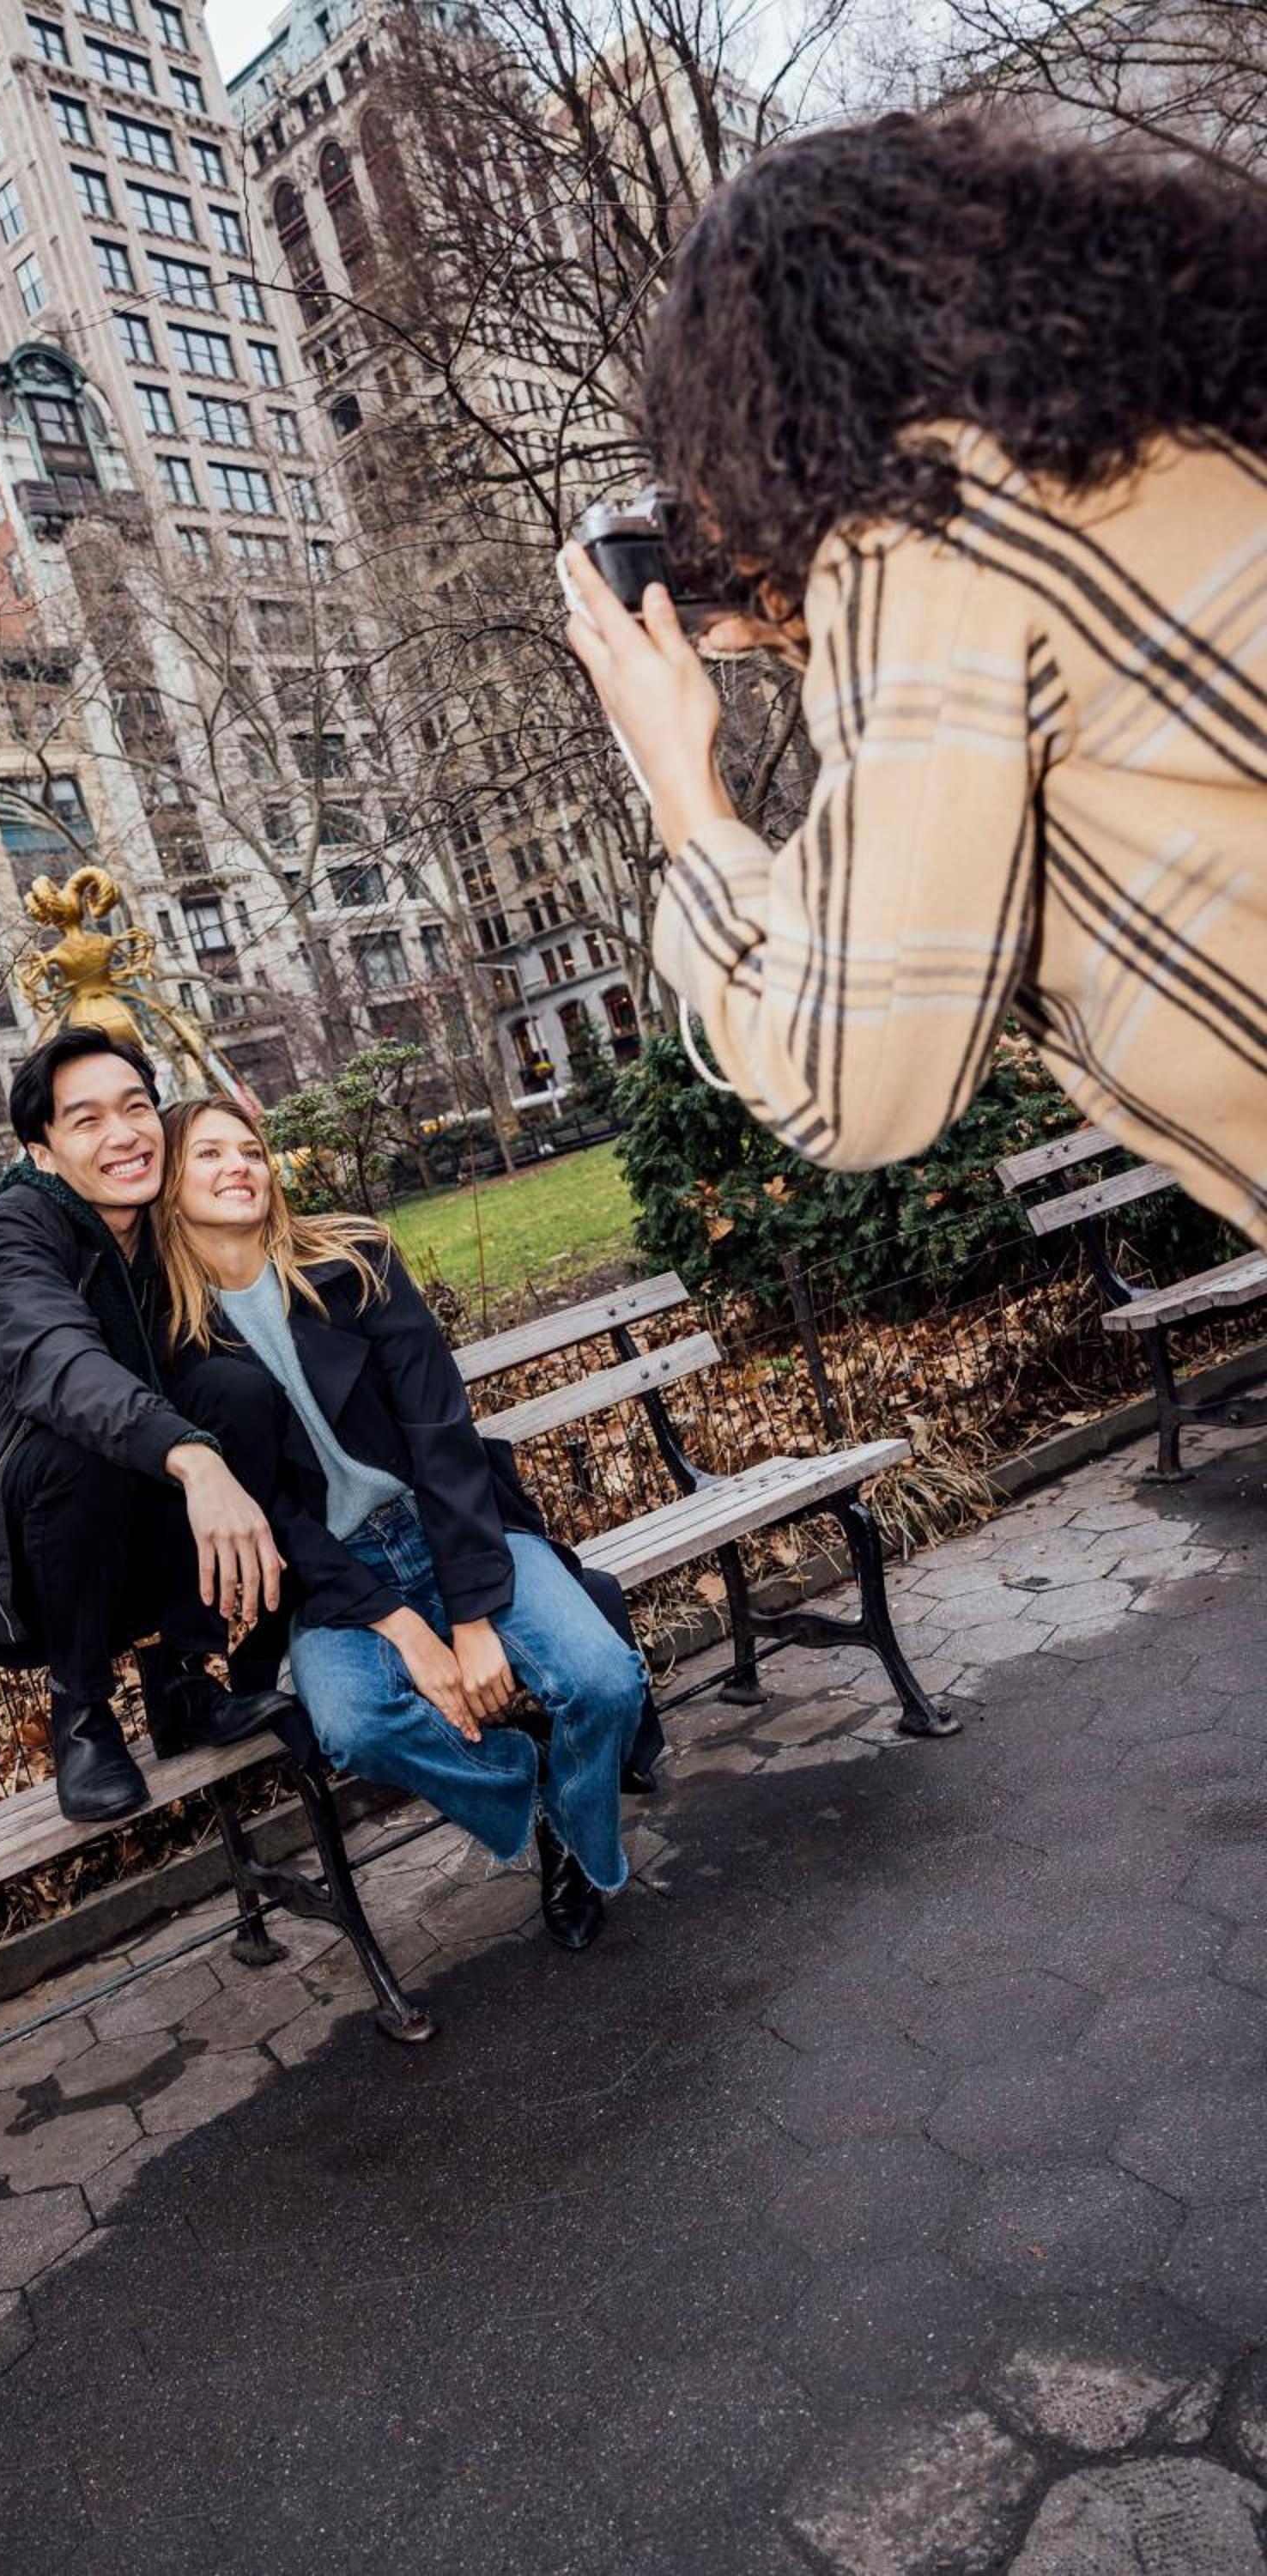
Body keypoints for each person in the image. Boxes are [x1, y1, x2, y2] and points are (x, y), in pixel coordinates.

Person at [562, 113, 1267, 1250]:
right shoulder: (1131, 440)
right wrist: (804, 629)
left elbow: (846, 1083)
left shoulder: (927, 540)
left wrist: (680, 784)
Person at [154, 1095, 654, 1950]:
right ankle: (533, 1789)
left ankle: (572, 1831)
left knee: (603, 1681)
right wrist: (403, 1628)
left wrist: (469, 1617)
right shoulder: (175, 1343)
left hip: (448, 1525)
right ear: (168, 1182)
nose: (239, 1165)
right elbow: (270, 1516)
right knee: (354, 1725)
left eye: (250, 1149)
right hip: (332, 1575)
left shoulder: (355, 1261)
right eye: (208, 1153)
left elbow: (441, 1437)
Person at [0, 1030, 295, 1826]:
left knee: (233, 1389)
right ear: (43, 1152)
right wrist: (194, 1459)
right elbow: (59, 1365)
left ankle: (182, 1680)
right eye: (86, 1121)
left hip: (126, 1539)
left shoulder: (157, 1227)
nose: (123, 1134)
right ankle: (82, 1716)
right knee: (78, 1446)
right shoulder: (12, 1234)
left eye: (135, 1108)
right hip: (8, 1553)